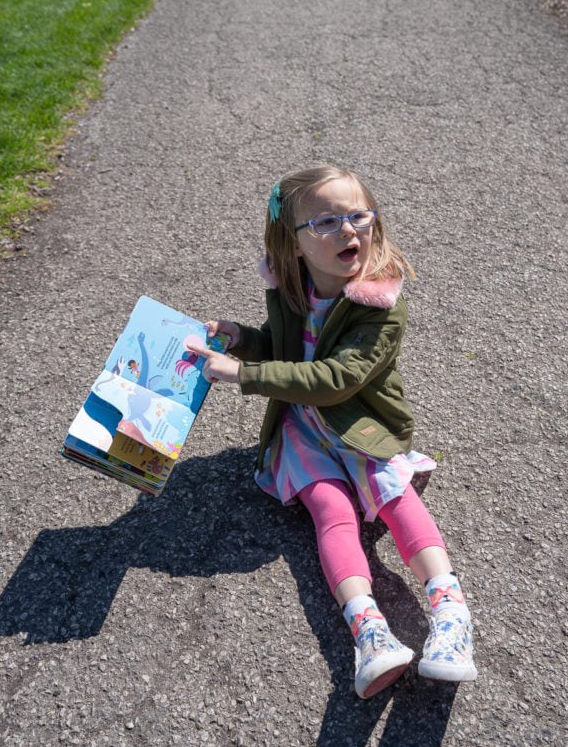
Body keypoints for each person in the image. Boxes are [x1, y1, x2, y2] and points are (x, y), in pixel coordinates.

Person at [186, 165, 477, 699]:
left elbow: (338, 380)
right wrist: (242, 342)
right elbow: (283, 348)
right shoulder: (293, 292)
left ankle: (451, 611)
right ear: (293, 244)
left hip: (360, 424)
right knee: (331, 510)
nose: (348, 230)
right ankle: (369, 629)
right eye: (325, 222)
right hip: (305, 430)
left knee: (395, 493)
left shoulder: (379, 306)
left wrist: (245, 375)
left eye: (357, 216)